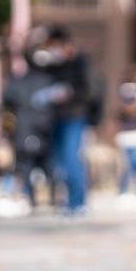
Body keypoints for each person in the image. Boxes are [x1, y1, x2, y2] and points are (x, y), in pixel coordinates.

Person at [34, 27, 96, 216]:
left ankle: (79, 202)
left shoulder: (81, 63)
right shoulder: (56, 65)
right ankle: (67, 201)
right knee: (59, 163)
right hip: (57, 118)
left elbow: (91, 92)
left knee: (72, 159)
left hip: (75, 117)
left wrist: (68, 93)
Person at [0, 34, 58, 215]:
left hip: (24, 130)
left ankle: (30, 197)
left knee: (26, 165)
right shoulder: (51, 80)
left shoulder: (17, 81)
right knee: (48, 165)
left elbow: (6, 100)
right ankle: (52, 195)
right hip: (46, 128)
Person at [115, 80, 136, 199]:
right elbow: (126, 110)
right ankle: (123, 190)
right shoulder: (124, 97)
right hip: (125, 136)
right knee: (125, 166)